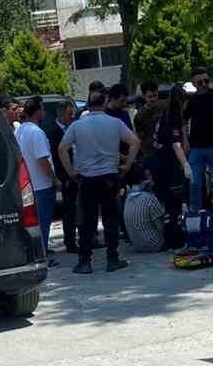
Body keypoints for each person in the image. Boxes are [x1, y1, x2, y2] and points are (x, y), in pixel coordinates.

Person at [58, 83, 139, 274]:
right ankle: (112, 259)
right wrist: (127, 165)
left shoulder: (77, 126)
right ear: (104, 104)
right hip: (110, 177)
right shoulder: (114, 123)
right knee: (110, 219)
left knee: (87, 222)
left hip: (87, 179)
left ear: (88, 105)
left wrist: (71, 172)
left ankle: (85, 262)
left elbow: (62, 148)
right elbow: (135, 142)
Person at [14, 95, 58, 265]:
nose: (44, 111)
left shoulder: (19, 131)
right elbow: (42, 160)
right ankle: (43, 256)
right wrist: (54, 179)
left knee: (32, 224)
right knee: (43, 224)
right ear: (37, 111)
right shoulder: (37, 132)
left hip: (26, 185)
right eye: (42, 108)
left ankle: (35, 254)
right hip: (41, 185)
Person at [183, 66, 213, 215]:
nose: (203, 84)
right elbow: (184, 120)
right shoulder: (192, 100)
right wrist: (185, 140)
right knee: (194, 183)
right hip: (195, 148)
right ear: (194, 83)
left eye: (206, 81)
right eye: (199, 82)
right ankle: (196, 215)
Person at [148, 83, 190, 248]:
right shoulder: (173, 117)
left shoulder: (162, 115)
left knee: (167, 206)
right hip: (169, 165)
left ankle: (169, 238)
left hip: (158, 164)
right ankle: (176, 240)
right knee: (175, 205)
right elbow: (176, 145)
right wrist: (185, 165)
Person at [52, 98, 79, 252]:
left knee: (76, 209)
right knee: (69, 211)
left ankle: (79, 238)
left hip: (76, 173)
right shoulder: (53, 132)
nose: (72, 116)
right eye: (70, 114)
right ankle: (70, 242)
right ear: (62, 115)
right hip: (65, 176)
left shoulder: (72, 128)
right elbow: (55, 157)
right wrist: (64, 176)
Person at [134, 82, 164, 158]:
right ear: (144, 96)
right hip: (149, 152)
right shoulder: (140, 116)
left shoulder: (163, 108)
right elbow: (140, 137)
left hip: (164, 149)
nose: (153, 99)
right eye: (150, 97)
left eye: (155, 95)